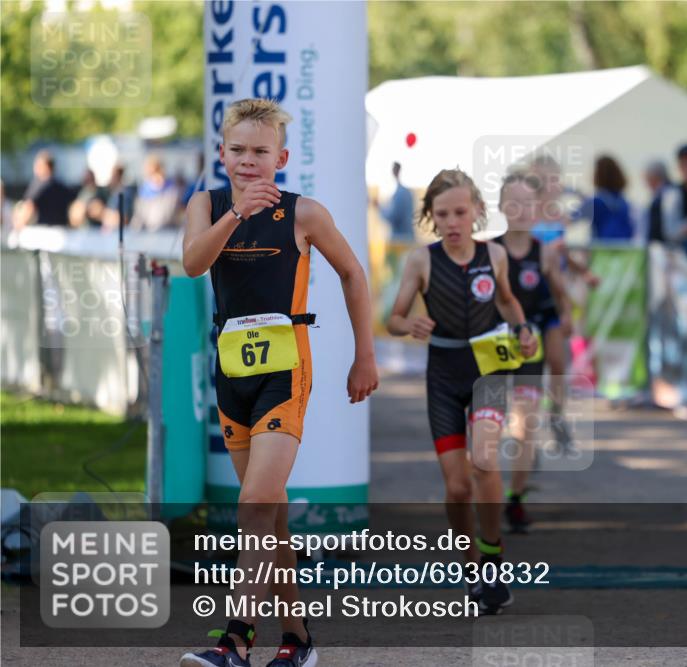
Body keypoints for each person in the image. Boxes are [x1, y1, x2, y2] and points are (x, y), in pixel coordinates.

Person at [180, 98, 379, 667]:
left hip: (285, 370)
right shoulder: (206, 204)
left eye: (260, 152)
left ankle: (236, 639)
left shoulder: (303, 213)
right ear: (222, 154)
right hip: (232, 371)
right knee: (272, 517)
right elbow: (194, 263)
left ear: (281, 158)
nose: (248, 161)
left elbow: (352, 273)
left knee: (255, 504)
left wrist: (364, 353)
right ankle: (298, 639)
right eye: (237, 150)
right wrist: (235, 214)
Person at [386, 168, 537, 614]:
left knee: (485, 459)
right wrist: (408, 323)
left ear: (476, 211)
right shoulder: (421, 260)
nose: (453, 222)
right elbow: (393, 317)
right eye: (443, 214)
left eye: (460, 212)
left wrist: (523, 325)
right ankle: (471, 569)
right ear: (431, 217)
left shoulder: (496, 255)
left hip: (488, 370)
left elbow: (507, 300)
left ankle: (492, 558)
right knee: (456, 488)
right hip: (444, 376)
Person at [495, 172, 572, 533]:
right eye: (513, 203)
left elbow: (558, 291)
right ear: (501, 208)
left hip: (535, 335)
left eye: (527, 203)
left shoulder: (544, 252)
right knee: (488, 428)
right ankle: (484, 494)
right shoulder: (491, 251)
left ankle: (516, 499)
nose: (521, 210)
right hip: (495, 344)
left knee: (526, 423)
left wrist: (568, 315)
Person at [577, 155, 633, 241]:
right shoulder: (624, 203)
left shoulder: (595, 202)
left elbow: (568, 220)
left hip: (601, 251)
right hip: (625, 251)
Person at [13, 150, 74, 228]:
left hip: (43, 232)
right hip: (63, 232)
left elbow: (29, 206)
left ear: (45, 166)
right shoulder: (62, 185)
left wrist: (19, 224)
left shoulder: (39, 185)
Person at [133, 155, 181, 231]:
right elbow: (140, 214)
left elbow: (171, 213)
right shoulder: (145, 188)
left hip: (167, 230)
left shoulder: (171, 188)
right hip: (148, 231)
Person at [375, 161, 415, 240]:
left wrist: (379, 207)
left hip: (400, 239)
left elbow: (393, 217)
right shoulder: (406, 192)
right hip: (407, 237)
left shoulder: (401, 193)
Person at [644, 160, 672, 244]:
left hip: (665, 246)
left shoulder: (668, 194)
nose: (646, 182)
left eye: (647, 178)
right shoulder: (658, 194)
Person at [102, 165, 135, 231]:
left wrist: (102, 214)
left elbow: (124, 219)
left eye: (113, 176)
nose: (110, 178)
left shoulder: (125, 194)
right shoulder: (113, 193)